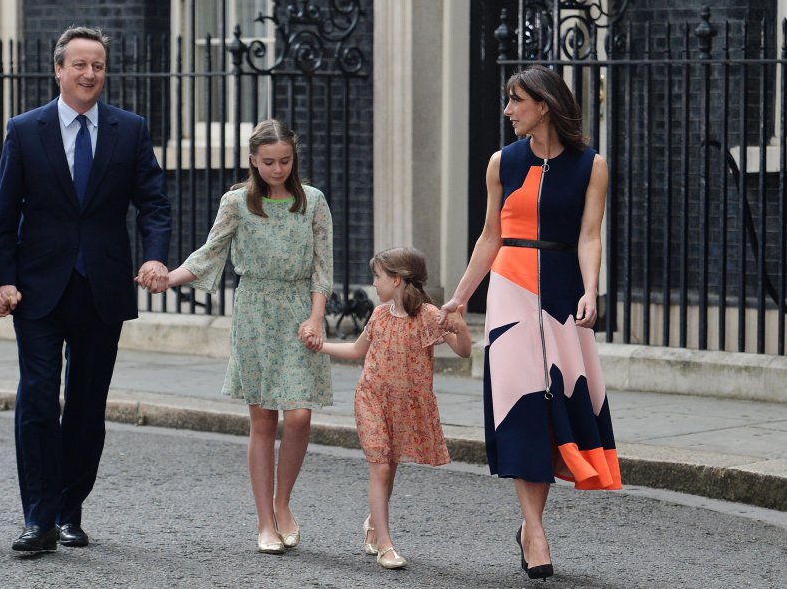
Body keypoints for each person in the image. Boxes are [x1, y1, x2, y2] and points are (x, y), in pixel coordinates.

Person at [0, 26, 172, 553]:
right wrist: (0, 279)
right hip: (38, 289)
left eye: (99, 66)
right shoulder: (25, 130)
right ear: (59, 70)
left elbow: (153, 203)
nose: (91, 74)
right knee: (38, 400)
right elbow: (8, 211)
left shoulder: (129, 129)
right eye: (81, 65)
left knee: (87, 406)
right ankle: (38, 519)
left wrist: (155, 254)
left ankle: (70, 510)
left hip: (101, 288)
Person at [439, 64, 621, 581]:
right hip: (511, 294)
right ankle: (534, 530)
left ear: (543, 104)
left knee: (553, 408)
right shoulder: (503, 162)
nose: (507, 110)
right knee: (521, 405)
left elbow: (590, 235)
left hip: (563, 294)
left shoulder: (592, 165)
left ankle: (530, 526)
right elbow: (489, 237)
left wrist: (590, 290)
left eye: (515, 100)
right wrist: (459, 298)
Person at [164, 119, 333, 554]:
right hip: (255, 310)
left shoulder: (312, 201)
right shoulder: (237, 202)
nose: (278, 169)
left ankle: (283, 503)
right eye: (269, 162)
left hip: (299, 311)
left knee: (298, 415)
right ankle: (265, 522)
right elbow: (210, 253)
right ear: (253, 161)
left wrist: (316, 318)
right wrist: (168, 280)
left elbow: (322, 268)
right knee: (263, 419)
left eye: (285, 161)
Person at [306, 247, 471, 570]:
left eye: (377, 277)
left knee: (389, 468)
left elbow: (463, 352)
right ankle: (386, 545)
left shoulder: (429, 316)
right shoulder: (379, 314)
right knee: (381, 467)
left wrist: (461, 328)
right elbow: (357, 350)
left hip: (406, 404)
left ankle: (372, 523)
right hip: (372, 399)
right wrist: (320, 346)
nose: (374, 283)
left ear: (396, 280)